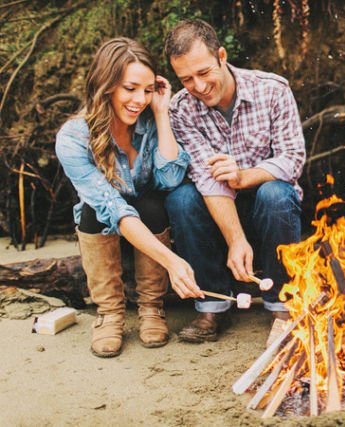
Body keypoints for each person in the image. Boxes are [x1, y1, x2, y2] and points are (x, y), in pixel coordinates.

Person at [55, 38, 204, 358]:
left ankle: (151, 306)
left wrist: (162, 114)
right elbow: (113, 208)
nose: (140, 99)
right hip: (105, 229)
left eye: (148, 89)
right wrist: (173, 262)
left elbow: (170, 179)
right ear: (106, 86)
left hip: (151, 227)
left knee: (152, 202)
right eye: (131, 88)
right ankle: (109, 313)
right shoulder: (73, 138)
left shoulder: (151, 122)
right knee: (94, 209)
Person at [163, 19, 306, 345]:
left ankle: (282, 307)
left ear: (222, 56)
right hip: (219, 213)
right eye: (186, 79)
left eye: (204, 73)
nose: (198, 86)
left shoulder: (273, 89)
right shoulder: (181, 110)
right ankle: (213, 305)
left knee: (276, 192)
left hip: (270, 212)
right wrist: (236, 240)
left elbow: (292, 158)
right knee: (181, 198)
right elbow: (205, 178)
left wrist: (244, 176)